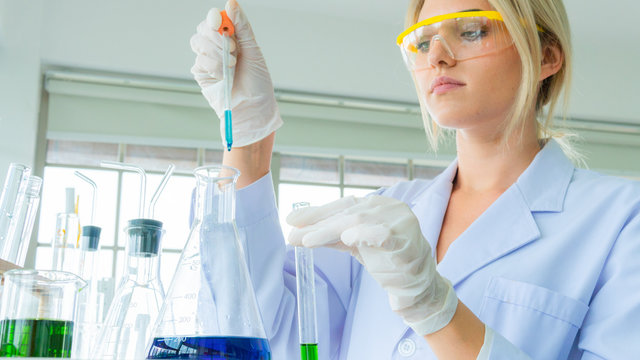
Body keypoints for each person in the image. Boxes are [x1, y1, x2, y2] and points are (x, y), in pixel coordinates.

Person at [189, 0, 640, 358]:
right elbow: (258, 336)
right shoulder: (381, 216)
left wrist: (438, 312)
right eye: (423, 43)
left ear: (545, 55)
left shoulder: (621, 220)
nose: (438, 57)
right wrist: (249, 139)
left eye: (471, 30)